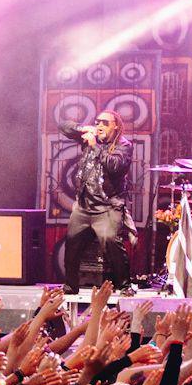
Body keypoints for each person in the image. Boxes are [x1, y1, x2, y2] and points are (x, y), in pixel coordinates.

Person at [59, 111, 135, 292]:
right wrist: (82, 128)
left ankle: (124, 286)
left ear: (115, 126)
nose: (99, 125)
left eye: (105, 123)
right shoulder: (90, 137)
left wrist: (94, 147)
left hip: (107, 206)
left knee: (110, 241)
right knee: (72, 243)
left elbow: (115, 166)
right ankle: (71, 286)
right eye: (97, 122)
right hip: (84, 205)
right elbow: (63, 126)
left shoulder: (124, 146)